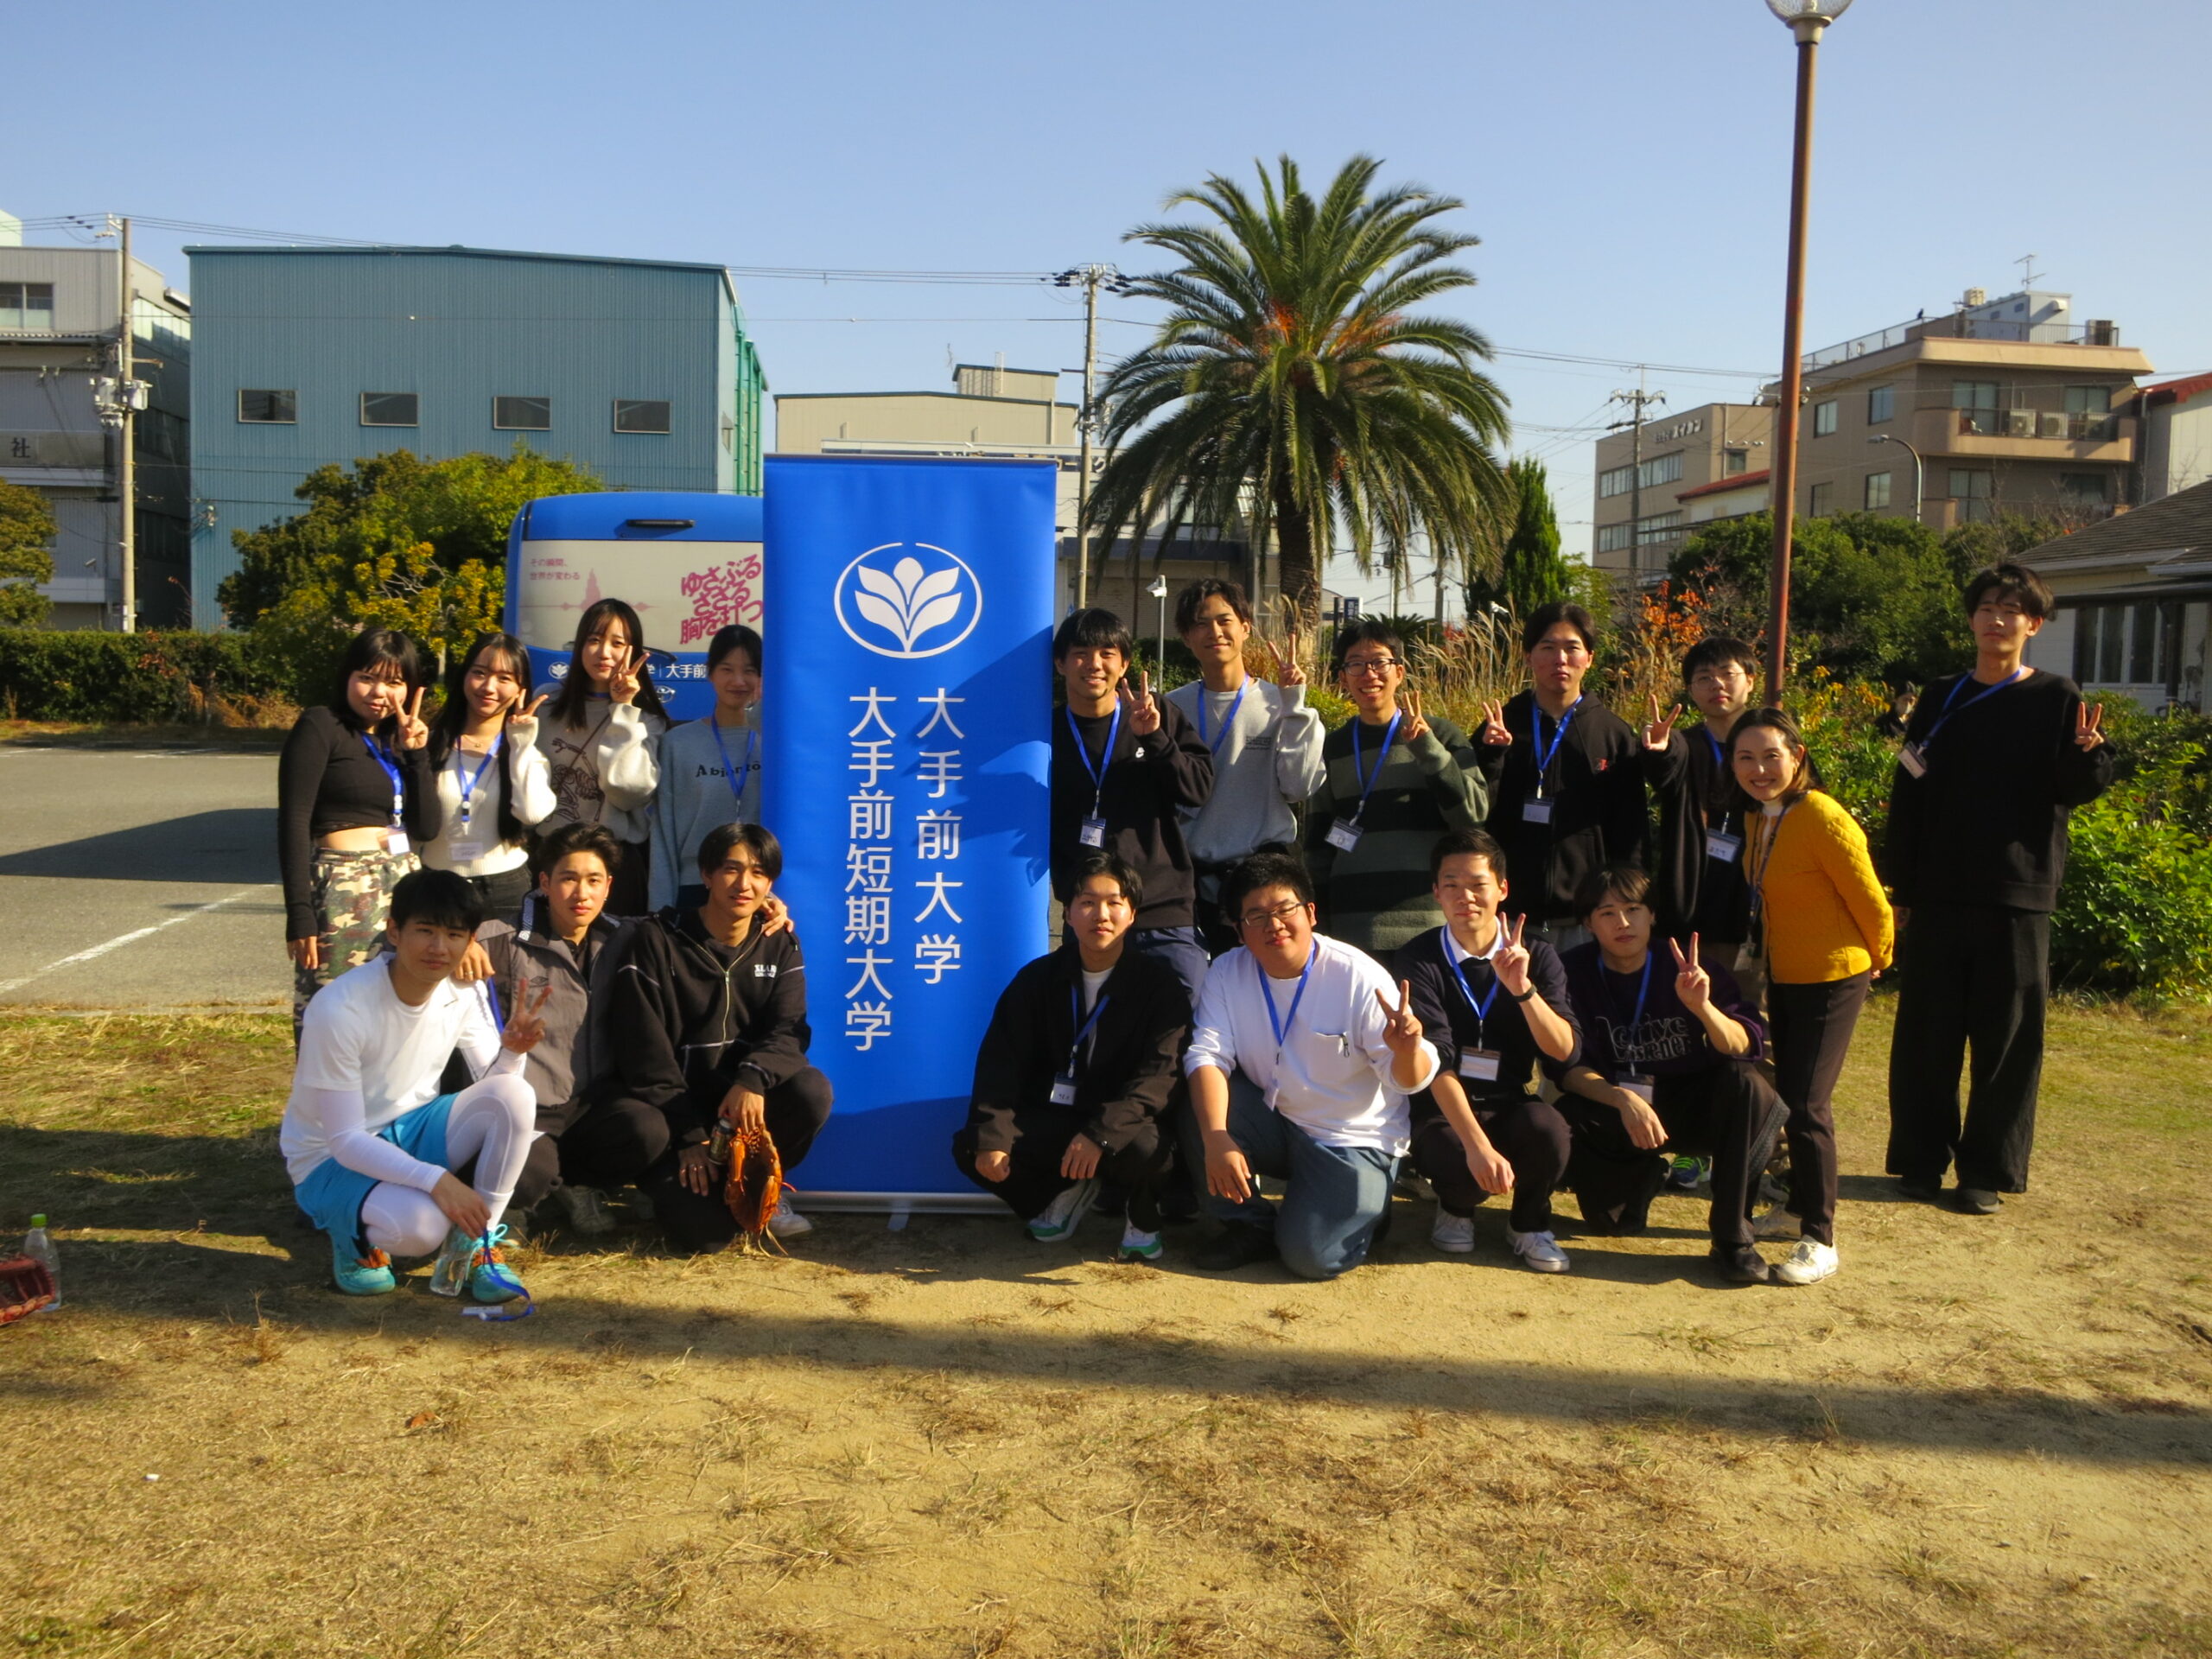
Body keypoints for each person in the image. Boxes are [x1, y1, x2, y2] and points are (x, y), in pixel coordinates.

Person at [1885, 563, 2114, 1215]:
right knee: (1926, 1033)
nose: (1997, 619)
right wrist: (1901, 885)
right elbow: (1909, 791)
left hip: (2018, 893)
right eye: (1987, 606)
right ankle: (1920, 1162)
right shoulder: (1941, 695)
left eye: (2012, 609)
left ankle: (1985, 1170)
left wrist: (2090, 754)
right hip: (1938, 890)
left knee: (2007, 1039)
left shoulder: (2056, 697)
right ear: (1971, 619)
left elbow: (2075, 790)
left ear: (2033, 624)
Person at [280, 868, 548, 1302]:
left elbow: (496, 1094)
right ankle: (353, 1240)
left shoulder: (463, 990)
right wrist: (439, 1181)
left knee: (516, 1093)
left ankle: (475, 1247)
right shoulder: (339, 1007)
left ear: (470, 941)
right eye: (425, 931)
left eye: (454, 935)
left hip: (411, 1130)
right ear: (394, 931)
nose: (438, 948)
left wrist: (513, 1052)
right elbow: (345, 1140)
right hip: (328, 1160)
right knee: (421, 1231)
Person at [1182, 851, 1441, 1280]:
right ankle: (1249, 1225)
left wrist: (1407, 1050)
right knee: (1200, 1105)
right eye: (1256, 916)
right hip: (1277, 1118)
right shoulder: (1227, 971)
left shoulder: (1358, 976)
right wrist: (1215, 1137)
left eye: (1285, 909)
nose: (1274, 924)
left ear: (1311, 913)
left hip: (1351, 1137)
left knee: (1312, 1258)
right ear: (1239, 930)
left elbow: (1408, 1081)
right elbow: (1208, 1054)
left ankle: (1366, 1208)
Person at [1553, 865, 1791, 1285]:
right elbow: (1566, 1069)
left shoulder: (1689, 966)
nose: (1623, 923)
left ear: (1652, 914)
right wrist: (1623, 1100)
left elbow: (1744, 1045)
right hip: (1620, 1105)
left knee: (1746, 1085)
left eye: (1633, 909)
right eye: (1607, 913)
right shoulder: (1570, 972)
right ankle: (1644, 1176)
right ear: (1588, 923)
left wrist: (1703, 1008)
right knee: (1608, 1216)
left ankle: (1732, 1238)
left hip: (1693, 1102)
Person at [954, 852, 1191, 1261]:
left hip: (1126, 1121)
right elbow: (1001, 1063)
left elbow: (1160, 1076)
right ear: (1068, 914)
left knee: (1147, 1150)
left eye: (1114, 902)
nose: (1101, 915)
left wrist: (1100, 1134)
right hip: (1058, 1114)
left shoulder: (1160, 986)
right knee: (971, 1147)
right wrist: (993, 1136)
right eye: (1087, 902)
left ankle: (1141, 1212)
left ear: (1132, 914)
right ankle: (1064, 1189)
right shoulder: (1036, 980)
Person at [609, 823, 832, 1253]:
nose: (744, 884)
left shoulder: (779, 943)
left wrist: (753, 1079)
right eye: (731, 869)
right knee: (707, 1237)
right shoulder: (657, 940)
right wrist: (689, 1136)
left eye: (758, 873)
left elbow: (789, 1030)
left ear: (770, 884)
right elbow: (643, 1051)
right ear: (706, 874)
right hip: (673, 1110)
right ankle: (669, 1185)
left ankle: (760, 1184)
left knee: (812, 1090)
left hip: (739, 1105)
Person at [1733, 707, 1893, 1287]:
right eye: (1746, 758)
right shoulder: (1760, 817)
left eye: (1771, 756)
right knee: (1790, 1095)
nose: (1759, 769)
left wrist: (1879, 958)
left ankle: (1820, 1238)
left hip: (1833, 975)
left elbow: (1871, 901)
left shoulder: (1823, 816)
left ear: (1797, 756)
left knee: (1808, 1105)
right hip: (1787, 974)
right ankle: (1798, 1207)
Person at [1391, 830, 1583, 1274]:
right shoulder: (1418, 958)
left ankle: (1528, 1223)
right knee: (1454, 1155)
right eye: (1452, 884)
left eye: (1478, 884)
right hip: (1442, 1107)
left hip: (1509, 1099)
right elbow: (1435, 1062)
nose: (1466, 897)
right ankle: (1455, 1208)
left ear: (1502, 888)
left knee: (1549, 1129)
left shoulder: (1537, 953)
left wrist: (1523, 990)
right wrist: (1478, 1146)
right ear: (1436, 892)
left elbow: (1564, 1052)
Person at [473, 823, 652, 1236]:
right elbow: (423, 945)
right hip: (528, 1105)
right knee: (526, 1176)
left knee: (648, 1131)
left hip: (592, 1103)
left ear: (608, 886)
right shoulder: (499, 940)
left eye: (593, 880)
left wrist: (764, 907)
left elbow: (694, 929)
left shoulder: (626, 937)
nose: (581, 893)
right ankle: (524, 1196)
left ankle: (576, 1184)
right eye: (568, 879)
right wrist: (461, 942)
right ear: (545, 882)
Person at [1051, 607, 1216, 1009]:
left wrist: (1155, 739)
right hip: (1090, 914)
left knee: (1185, 1021)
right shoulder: (1046, 731)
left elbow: (1197, 790)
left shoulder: (1156, 714)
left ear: (1124, 664)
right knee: (1091, 1026)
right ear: (1060, 664)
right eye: (1081, 654)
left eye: (1107, 654)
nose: (1094, 664)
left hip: (1162, 910)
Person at [278, 628, 440, 1035]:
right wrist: (300, 913)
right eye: (367, 678)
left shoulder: (398, 739)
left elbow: (426, 827)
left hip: (404, 884)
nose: (379, 692)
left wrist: (417, 754)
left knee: (397, 1015)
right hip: (343, 885)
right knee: (334, 1014)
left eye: (394, 682)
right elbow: (294, 820)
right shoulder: (321, 724)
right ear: (347, 676)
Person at [1161, 580, 1326, 955]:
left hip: (1264, 879)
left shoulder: (1279, 702)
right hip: (1191, 881)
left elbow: (1298, 787)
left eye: (1225, 620)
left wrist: (1294, 706)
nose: (1215, 632)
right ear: (1186, 637)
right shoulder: (1170, 708)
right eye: (1201, 623)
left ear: (1246, 627)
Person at [1303, 620, 1487, 955]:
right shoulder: (1333, 748)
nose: (1369, 674)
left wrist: (1429, 751)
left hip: (1429, 923)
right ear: (1343, 677)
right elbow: (1318, 845)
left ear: (1399, 672)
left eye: (1379, 662)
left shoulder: (1441, 735)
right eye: (1356, 664)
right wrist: (1322, 923)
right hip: (1352, 926)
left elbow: (1472, 816)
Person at [1474, 601, 1647, 950]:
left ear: (1590, 658)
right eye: (1548, 648)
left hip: (1589, 917)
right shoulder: (1501, 725)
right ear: (1528, 656)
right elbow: (1475, 812)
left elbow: (1631, 830)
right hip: (1510, 913)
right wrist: (1490, 756)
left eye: (1572, 648)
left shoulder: (1612, 734)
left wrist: (1626, 902)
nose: (1561, 659)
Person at [535, 596, 667, 918]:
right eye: (594, 640)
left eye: (617, 643)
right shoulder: (548, 703)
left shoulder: (646, 719)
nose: (604, 652)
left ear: (633, 651)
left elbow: (627, 792)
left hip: (613, 866)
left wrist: (623, 710)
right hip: (552, 860)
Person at [420, 631, 556, 926]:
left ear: (520, 689)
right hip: (436, 887)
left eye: (504, 678)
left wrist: (520, 743)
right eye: (479, 673)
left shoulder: (527, 754)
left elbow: (532, 814)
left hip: (505, 891)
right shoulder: (429, 745)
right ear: (464, 676)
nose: (489, 687)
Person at [1641, 636, 1759, 971]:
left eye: (1727, 673)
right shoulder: (1684, 744)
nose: (1717, 684)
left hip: (1753, 908)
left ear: (1750, 681)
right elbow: (1666, 767)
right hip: (1692, 909)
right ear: (1691, 691)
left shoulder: (1770, 745)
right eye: (1704, 677)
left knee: (1749, 1001)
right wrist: (1659, 750)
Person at [651, 623, 764, 915]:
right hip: (695, 888)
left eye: (750, 670)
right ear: (709, 673)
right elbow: (664, 832)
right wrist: (660, 909)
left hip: (759, 888)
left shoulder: (777, 744)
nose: (738, 681)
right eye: (727, 669)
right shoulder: (678, 743)